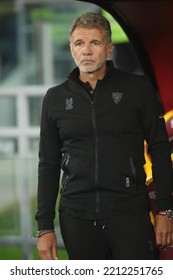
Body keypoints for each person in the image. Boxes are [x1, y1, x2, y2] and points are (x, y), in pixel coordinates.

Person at [35, 12, 173, 260]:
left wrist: (165, 210)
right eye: (79, 43)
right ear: (71, 49)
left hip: (130, 214)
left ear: (108, 48)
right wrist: (44, 226)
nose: (86, 51)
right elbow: (48, 164)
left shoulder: (138, 89)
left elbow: (161, 149)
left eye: (94, 43)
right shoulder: (54, 98)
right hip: (76, 217)